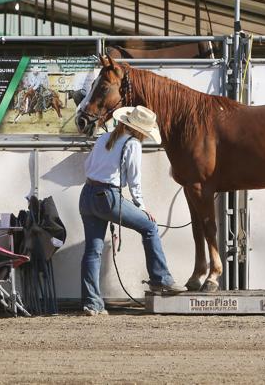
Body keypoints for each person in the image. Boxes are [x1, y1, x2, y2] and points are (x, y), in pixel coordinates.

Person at [79, 105, 185, 316]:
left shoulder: (103, 138)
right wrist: (141, 208)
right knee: (149, 227)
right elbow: (134, 182)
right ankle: (160, 279)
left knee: (93, 251)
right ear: (140, 130)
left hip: (87, 195)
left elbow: (87, 166)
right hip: (107, 197)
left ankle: (92, 304)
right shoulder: (133, 143)